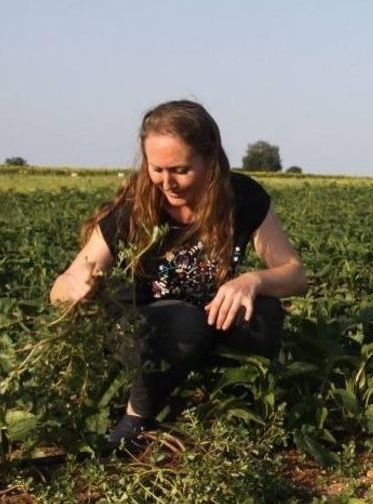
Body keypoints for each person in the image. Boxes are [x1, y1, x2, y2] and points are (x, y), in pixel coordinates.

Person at [50, 100, 307, 448]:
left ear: (210, 157)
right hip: (144, 330)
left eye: (180, 170)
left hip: (208, 320)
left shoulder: (242, 198)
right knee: (183, 320)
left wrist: (251, 280)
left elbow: (294, 274)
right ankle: (136, 419)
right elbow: (61, 287)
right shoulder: (135, 209)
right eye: (156, 169)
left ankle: (231, 402)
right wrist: (76, 285)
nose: (166, 182)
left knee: (264, 314)